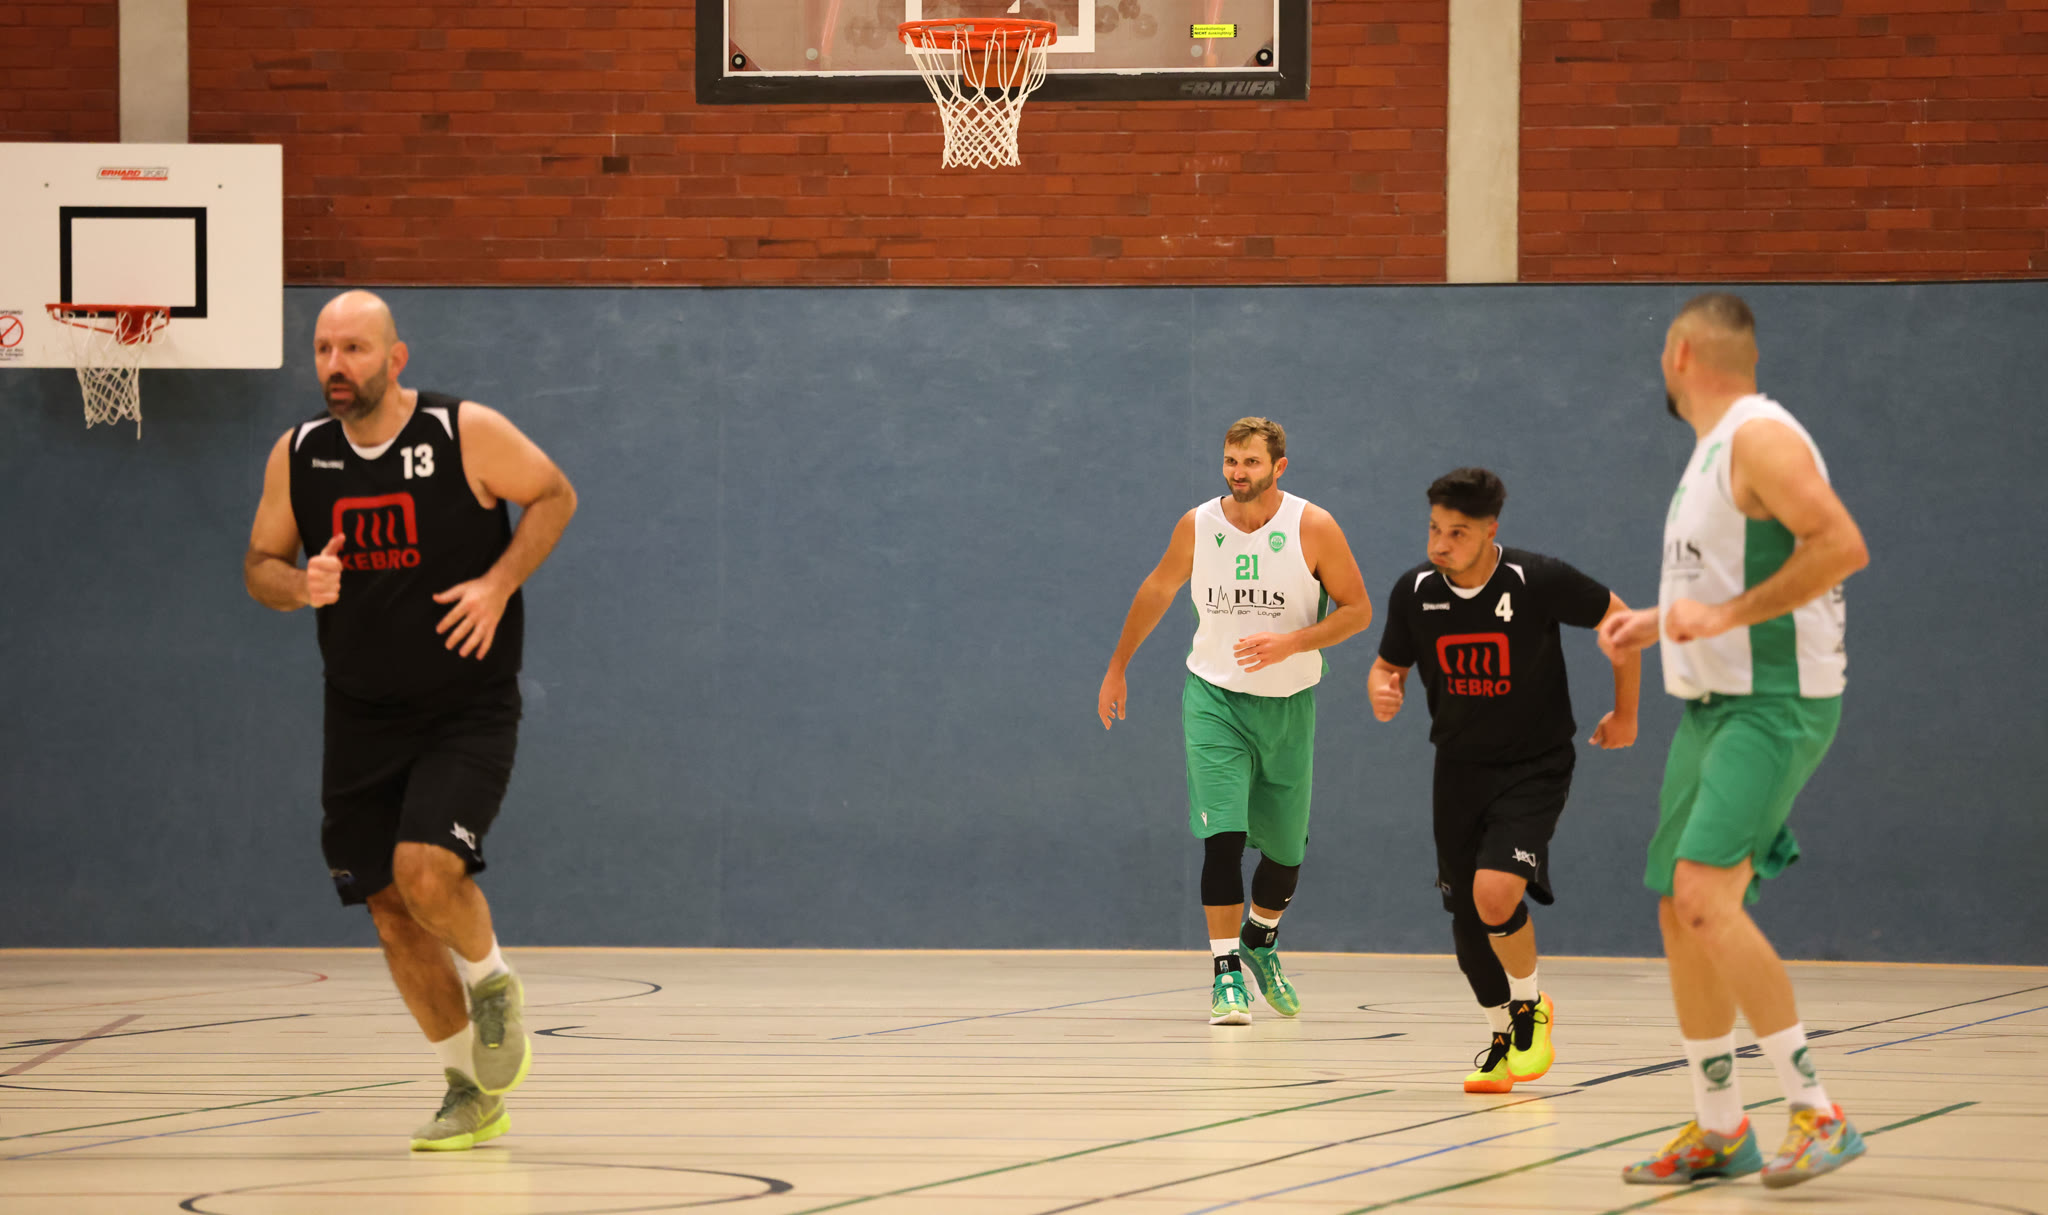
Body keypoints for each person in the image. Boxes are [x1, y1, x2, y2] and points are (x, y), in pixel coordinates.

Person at [243, 290, 577, 1151]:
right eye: (323, 348)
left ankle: (492, 979)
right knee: (389, 907)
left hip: (465, 705)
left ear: (395, 359)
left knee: (426, 871)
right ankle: (470, 1089)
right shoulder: (300, 454)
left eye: (354, 348)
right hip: (359, 715)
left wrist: (498, 584)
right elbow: (260, 563)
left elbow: (553, 494)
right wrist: (299, 585)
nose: (335, 365)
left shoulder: (462, 432)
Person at [1599, 292, 1869, 1188]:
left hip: (1774, 703)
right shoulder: (1713, 451)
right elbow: (1722, 581)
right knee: (1679, 909)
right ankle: (1720, 1127)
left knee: (1707, 897)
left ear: (1681, 352)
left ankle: (1818, 1111)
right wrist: (1659, 622)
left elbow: (1841, 545)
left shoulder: (1759, 436)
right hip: (1712, 705)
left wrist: (1722, 617)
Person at [1368, 468, 1640, 1093]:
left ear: (1490, 530)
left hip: (1534, 764)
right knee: (1467, 919)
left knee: (1495, 894)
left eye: (1457, 533)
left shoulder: (1535, 579)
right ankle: (1501, 1036)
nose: (1440, 545)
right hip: (1457, 770)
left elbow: (1621, 621)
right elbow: (1388, 665)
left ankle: (1531, 1008)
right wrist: (1384, 690)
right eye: (1434, 529)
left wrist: (1625, 712)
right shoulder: (1414, 591)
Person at [1098, 417, 1373, 1025]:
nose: (1237, 472)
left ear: (1279, 467)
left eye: (1250, 462)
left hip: (1288, 704)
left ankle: (1259, 939)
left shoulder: (1313, 526)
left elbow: (1357, 610)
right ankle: (1225, 972)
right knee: (1221, 837)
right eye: (1230, 460)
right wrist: (1118, 666)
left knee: (1285, 855)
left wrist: (1292, 643)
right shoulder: (1198, 525)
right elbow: (1157, 588)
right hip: (1214, 698)